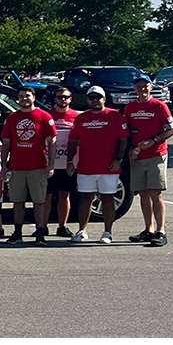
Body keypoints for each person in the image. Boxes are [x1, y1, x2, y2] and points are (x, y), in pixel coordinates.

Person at [66, 86, 129, 244]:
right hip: (86, 167)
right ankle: (82, 231)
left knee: (107, 198)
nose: (95, 100)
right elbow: (73, 140)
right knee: (85, 198)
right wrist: (69, 161)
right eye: (91, 97)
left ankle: (107, 233)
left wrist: (118, 159)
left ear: (104, 99)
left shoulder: (115, 116)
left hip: (109, 168)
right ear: (87, 100)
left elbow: (124, 139)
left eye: (98, 97)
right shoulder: (81, 118)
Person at [0, 86, 58, 246]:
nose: (24, 99)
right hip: (17, 167)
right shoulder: (12, 118)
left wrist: (50, 165)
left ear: (33, 97)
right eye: (20, 96)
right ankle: (17, 233)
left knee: (39, 202)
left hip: (38, 167)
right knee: (17, 202)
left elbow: (52, 142)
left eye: (27, 96)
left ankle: (40, 234)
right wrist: (4, 165)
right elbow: (6, 144)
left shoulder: (44, 116)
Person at [124, 74, 173, 247]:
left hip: (156, 155)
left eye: (145, 86)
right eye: (139, 86)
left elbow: (171, 130)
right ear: (135, 89)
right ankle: (149, 229)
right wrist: (131, 150)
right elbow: (126, 132)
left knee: (155, 192)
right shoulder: (130, 108)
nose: (142, 89)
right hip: (137, 156)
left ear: (151, 87)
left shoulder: (159, 106)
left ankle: (161, 231)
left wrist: (153, 140)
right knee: (143, 193)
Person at [45, 87, 79, 238]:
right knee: (45, 196)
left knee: (64, 195)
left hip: (67, 162)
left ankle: (62, 226)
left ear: (70, 99)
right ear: (55, 99)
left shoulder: (76, 116)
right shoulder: (48, 115)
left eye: (66, 97)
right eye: (59, 97)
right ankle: (42, 226)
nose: (62, 100)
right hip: (49, 162)